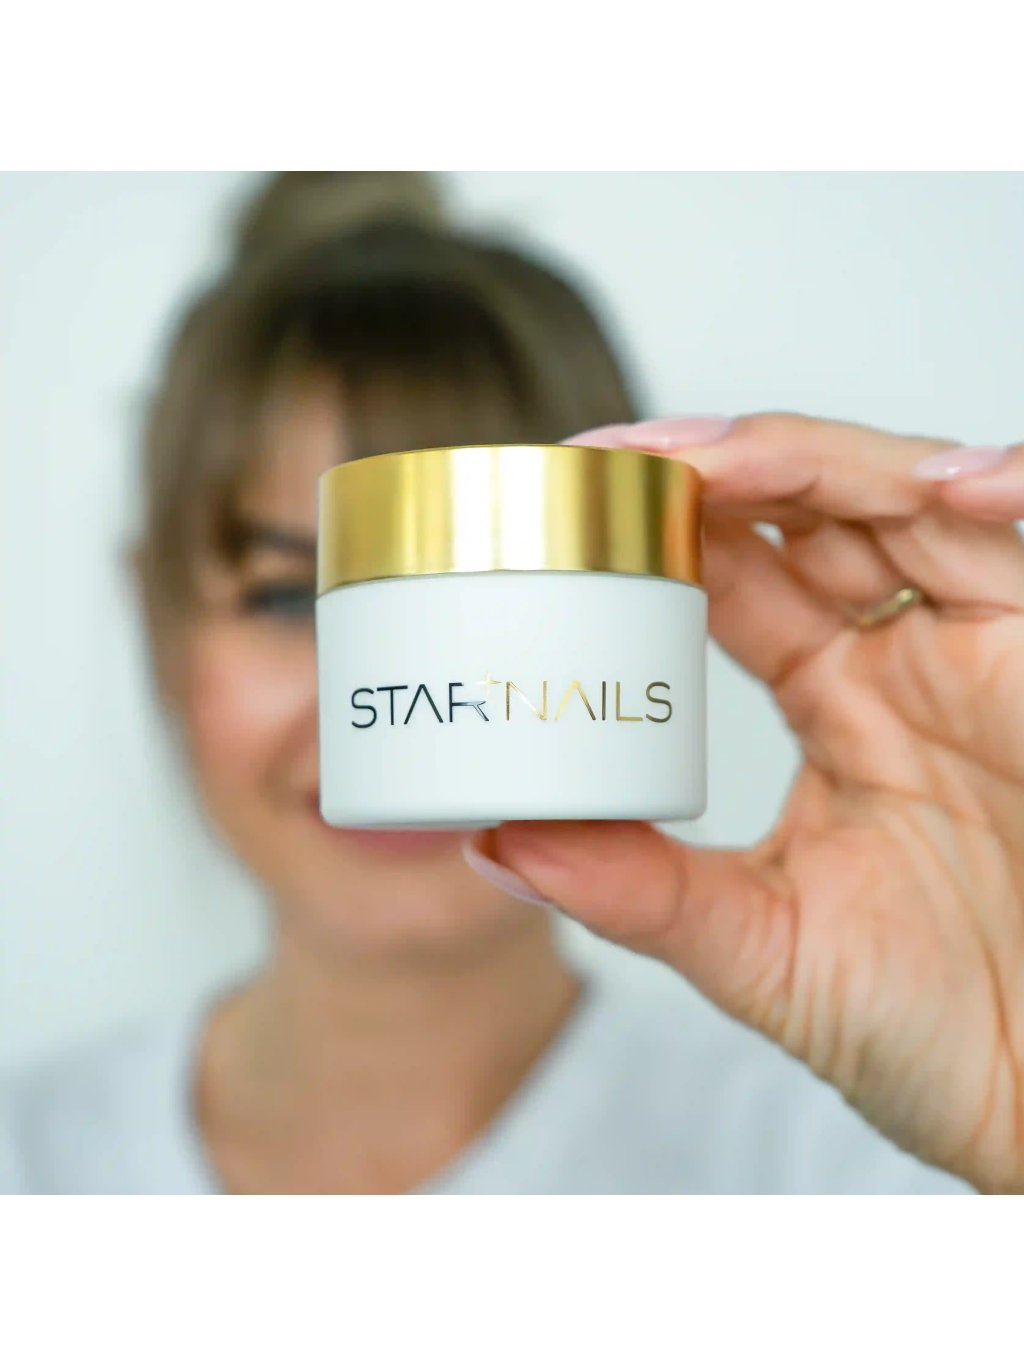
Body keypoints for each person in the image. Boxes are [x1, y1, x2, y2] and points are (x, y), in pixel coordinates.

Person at [1, 173, 1017, 1194]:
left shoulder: (872, 1157)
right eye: (287, 597)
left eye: (502, 590)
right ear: (160, 625)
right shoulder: (34, 1163)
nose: (415, 699)